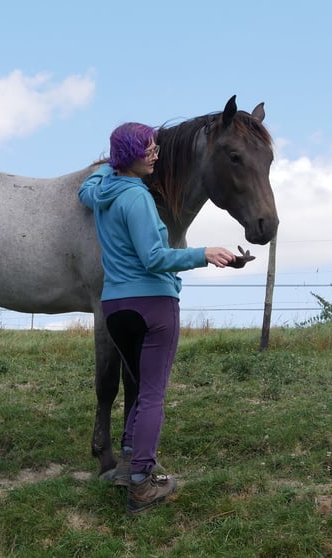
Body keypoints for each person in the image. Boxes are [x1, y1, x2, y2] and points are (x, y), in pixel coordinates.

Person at [78, 122, 250, 515]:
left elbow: (85, 187)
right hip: (151, 303)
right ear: (131, 156)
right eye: (148, 149)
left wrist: (110, 164)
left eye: (156, 147)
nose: (156, 153)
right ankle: (141, 483)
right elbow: (154, 258)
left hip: (116, 307)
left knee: (138, 384)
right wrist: (204, 253)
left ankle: (126, 461)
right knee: (151, 394)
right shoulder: (138, 199)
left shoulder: (100, 192)